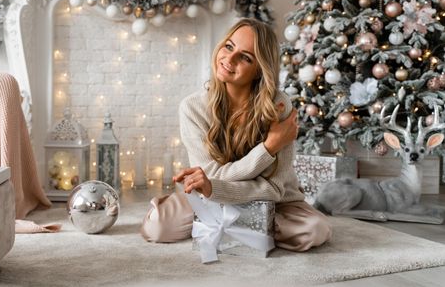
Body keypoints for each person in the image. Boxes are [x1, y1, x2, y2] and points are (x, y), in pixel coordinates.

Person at [140, 18, 331, 251]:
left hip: (274, 201)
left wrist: (215, 186)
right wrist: (269, 147)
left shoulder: (279, 106)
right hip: (209, 197)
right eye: (229, 46)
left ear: (260, 70)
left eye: (245, 57)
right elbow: (209, 180)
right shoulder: (192, 108)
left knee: (314, 230)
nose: (229, 59)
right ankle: (244, 226)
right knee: (156, 227)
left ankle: (232, 225)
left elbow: (273, 188)